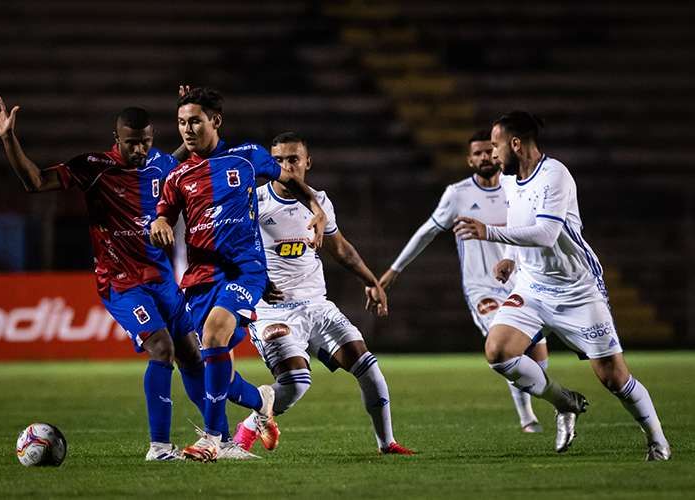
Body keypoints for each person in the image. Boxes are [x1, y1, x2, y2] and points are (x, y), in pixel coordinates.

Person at [0, 95, 209, 461]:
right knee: (162, 349)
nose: (139, 149)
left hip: (163, 280)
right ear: (116, 138)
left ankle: (219, 437)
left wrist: (192, 115)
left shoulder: (161, 164)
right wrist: (8, 139)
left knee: (192, 356)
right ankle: (160, 448)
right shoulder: (94, 167)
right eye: (131, 142)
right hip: (122, 282)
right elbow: (36, 181)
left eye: (146, 141)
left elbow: (182, 159)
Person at [454, 111, 671, 460]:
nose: (492, 154)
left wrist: (489, 232)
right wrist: (509, 256)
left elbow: (547, 233)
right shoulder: (510, 179)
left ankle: (658, 441)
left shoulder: (555, 175)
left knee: (614, 378)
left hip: (576, 289)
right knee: (498, 351)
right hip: (531, 286)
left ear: (515, 144)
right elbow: (518, 220)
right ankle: (564, 402)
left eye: (495, 146)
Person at [151, 88, 328, 462]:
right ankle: (261, 400)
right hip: (201, 276)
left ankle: (213, 439)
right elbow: (163, 212)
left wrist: (315, 206)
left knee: (215, 333)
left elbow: (292, 180)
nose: (187, 129)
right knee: (211, 366)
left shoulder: (247, 158)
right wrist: (161, 224)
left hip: (245, 270)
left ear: (215, 121)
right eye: (181, 122)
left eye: (195, 121)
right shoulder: (178, 175)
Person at [230, 132, 413, 455]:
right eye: (277, 161)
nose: (285, 166)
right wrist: (255, 280)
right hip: (274, 310)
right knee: (296, 383)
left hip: (317, 305)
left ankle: (387, 444)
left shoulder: (320, 203)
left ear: (307, 162)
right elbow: (231, 251)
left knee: (368, 366)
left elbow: (340, 248)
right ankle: (247, 429)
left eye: (293, 159)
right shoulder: (253, 202)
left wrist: (371, 281)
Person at [379, 130, 548, 433]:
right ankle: (527, 418)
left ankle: (552, 404)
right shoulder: (458, 194)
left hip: (523, 283)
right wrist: (395, 269)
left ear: (498, 154)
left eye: (489, 151)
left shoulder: (516, 190)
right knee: (508, 349)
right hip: (481, 287)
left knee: (538, 356)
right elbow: (427, 231)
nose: (485, 157)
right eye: (478, 153)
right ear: (470, 160)